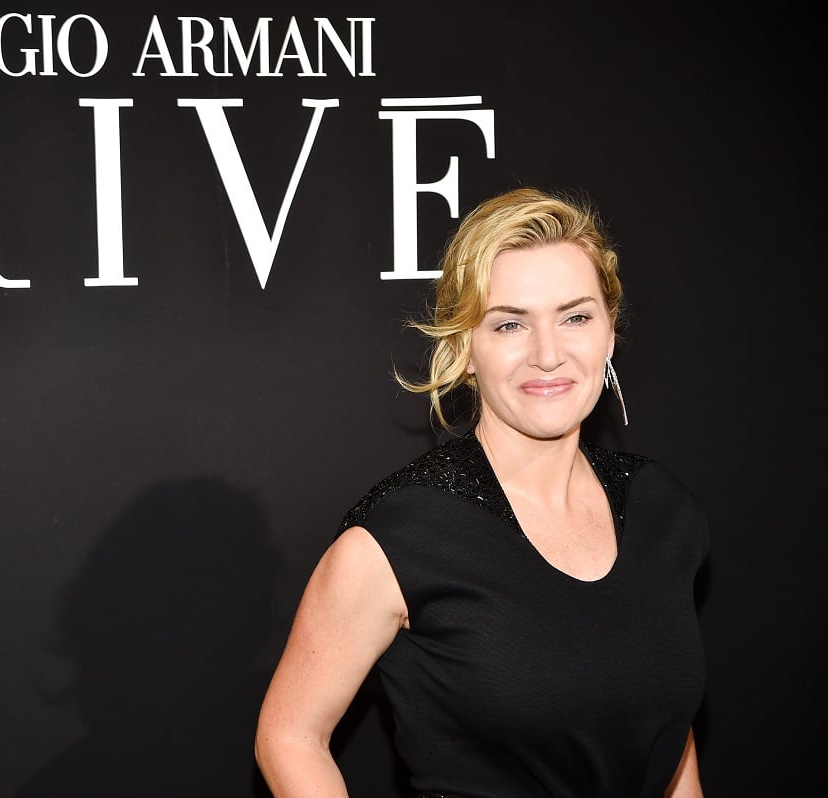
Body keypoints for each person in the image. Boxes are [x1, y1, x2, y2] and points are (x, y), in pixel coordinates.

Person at [254, 186, 708, 798]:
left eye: (575, 317)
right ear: (465, 348)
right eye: (510, 324)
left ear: (608, 334)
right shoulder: (400, 537)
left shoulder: (662, 510)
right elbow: (289, 735)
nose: (549, 354)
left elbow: (667, 732)